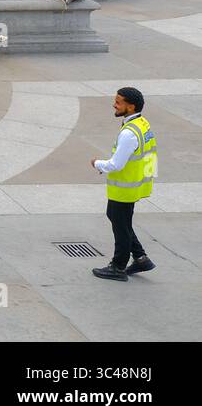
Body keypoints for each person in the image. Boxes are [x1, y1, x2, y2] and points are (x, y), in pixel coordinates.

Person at [90, 86, 157, 281]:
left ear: (131, 106)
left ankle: (118, 266)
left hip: (125, 186)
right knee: (119, 218)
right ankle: (141, 257)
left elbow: (116, 164)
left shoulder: (129, 133)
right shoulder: (142, 124)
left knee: (120, 224)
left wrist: (97, 163)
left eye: (119, 102)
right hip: (135, 184)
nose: (114, 104)